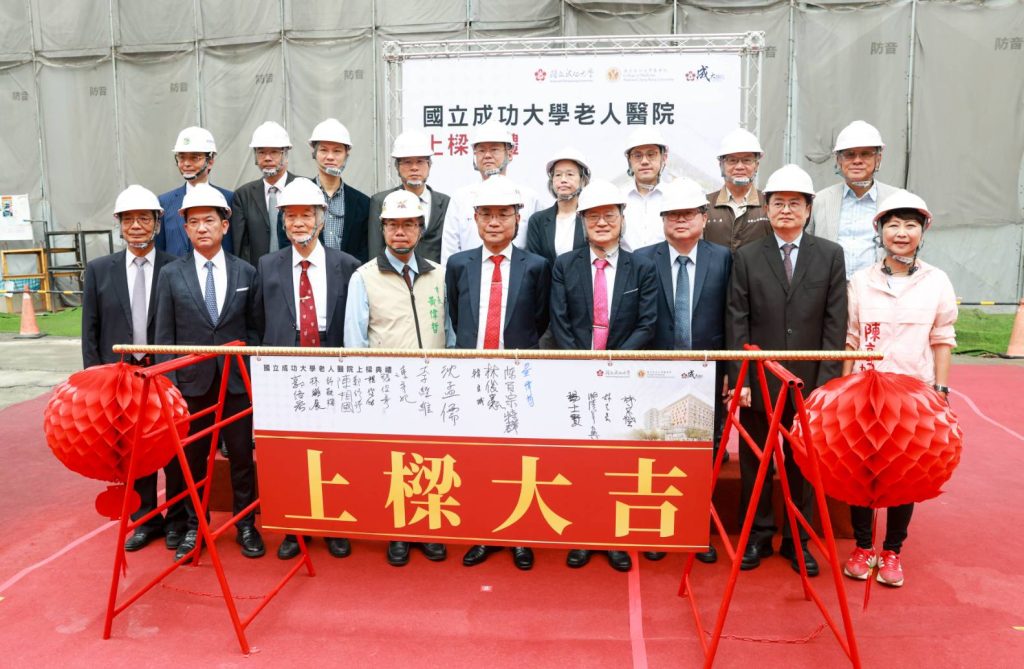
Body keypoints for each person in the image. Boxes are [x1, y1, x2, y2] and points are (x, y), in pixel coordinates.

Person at [726, 164, 847, 577]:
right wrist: (740, 379)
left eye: (795, 203)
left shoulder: (830, 255)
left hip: (808, 385)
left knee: (803, 465)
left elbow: (834, 323)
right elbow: (737, 320)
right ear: (767, 208)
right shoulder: (747, 257)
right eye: (778, 203)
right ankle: (757, 536)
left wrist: (827, 384)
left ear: (809, 209)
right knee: (755, 463)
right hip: (759, 382)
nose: (786, 210)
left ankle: (799, 541)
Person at [840, 190, 957, 588]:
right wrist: (844, 386)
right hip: (866, 391)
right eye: (893, 225)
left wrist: (940, 389)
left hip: (914, 392)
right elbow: (851, 338)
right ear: (880, 232)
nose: (901, 233)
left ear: (923, 232)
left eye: (910, 225)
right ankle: (862, 547)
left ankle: (892, 551)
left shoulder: (936, 281)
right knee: (861, 471)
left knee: (904, 473)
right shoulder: (861, 281)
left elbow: (942, 337)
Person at [550, 178, 658, 573]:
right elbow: (559, 321)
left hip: (622, 377)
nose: (601, 223)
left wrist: (613, 365)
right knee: (580, 461)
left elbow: (647, 323)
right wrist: (583, 366)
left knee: (617, 459)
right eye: (592, 216)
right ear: (582, 222)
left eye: (608, 215)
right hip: (576, 377)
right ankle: (582, 533)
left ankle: (614, 536)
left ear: (621, 218)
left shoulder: (641, 267)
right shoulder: (565, 265)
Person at [446, 176, 552, 571]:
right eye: (486, 214)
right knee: (477, 456)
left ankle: (520, 535)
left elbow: (540, 320)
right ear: (474, 218)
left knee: (517, 457)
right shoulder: (459, 264)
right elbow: (458, 314)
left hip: (517, 377)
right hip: (472, 374)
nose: (494, 222)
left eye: (503, 214)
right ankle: (483, 531)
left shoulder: (536, 266)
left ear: (517, 218)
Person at [155, 184, 264, 563]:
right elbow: (163, 338)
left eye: (209, 221)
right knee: (192, 460)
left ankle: (246, 523)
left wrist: (250, 377)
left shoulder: (246, 271)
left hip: (236, 384)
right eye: (194, 222)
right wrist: (170, 388)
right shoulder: (171, 275)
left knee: (241, 457)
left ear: (225, 225)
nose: (202, 228)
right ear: (185, 228)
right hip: (191, 385)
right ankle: (193, 527)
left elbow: (255, 331)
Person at [344, 189, 453, 566]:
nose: (400, 232)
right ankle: (399, 530)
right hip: (389, 389)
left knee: (433, 458)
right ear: (383, 229)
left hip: (434, 385)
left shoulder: (439, 274)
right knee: (395, 461)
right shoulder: (364, 277)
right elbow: (354, 342)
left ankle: (430, 526)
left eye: (409, 224)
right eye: (393, 225)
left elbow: (450, 332)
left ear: (421, 229)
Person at [255, 177, 361, 561]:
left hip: (331, 367)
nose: (298, 223)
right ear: (282, 222)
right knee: (289, 452)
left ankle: (334, 525)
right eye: (291, 216)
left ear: (321, 219)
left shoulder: (347, 265)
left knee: (333, 450)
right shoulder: (267, 266)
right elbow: (256, 323)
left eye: (306, 215)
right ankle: (294, 526)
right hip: (285, 370)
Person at [636, 177, 732, 564]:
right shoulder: (643, 259)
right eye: (672, 214)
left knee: (702, 456)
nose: (680, 220)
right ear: (662, 219)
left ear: (704, 217)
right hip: (656, 374)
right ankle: (659, 528)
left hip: (707, 373)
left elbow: (731, 319)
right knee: (655, 452)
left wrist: (729, 370)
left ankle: (696, 530)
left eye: (688, 213)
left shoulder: (724, 259)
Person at [82, 185, 176, 552]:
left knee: (171, 447)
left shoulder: (174, 268)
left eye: (144, 219)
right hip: (120, 378)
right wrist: (94, 383)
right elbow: (90, 330)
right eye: (128, 220)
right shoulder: (99, 270)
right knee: (132, 452)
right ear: (119, 225)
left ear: (157, 223)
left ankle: (177, 519)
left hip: (164, 373)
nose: (136, 226)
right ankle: (145, 519)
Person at [807, 120, 898, 278]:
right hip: (830, 289)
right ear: (838, 160)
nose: (857, 160)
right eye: (849, 154)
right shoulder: (819, 201)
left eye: (865, 154)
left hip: (881, 288)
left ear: (878, 159)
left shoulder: (895, 200)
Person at [440, 122, 541, 264]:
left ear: (510, 153)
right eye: (481, 150)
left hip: (518, 275)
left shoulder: (529, 197)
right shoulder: (461, 197)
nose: (487, 155)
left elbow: (536, 252)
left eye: (494, 149)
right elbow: (449, 250)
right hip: (470, 275)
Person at [368, 131, 450, 263]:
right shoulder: (380, 201)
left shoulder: (445, 203)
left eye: (420, 162)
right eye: (407, 162)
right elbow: (375, 250)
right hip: (393, 273)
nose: (414, 168)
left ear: (429, 165)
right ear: (397, 167)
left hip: (435, 274)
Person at [156, 127, 234, 257]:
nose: (186, 164)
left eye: (194, 158)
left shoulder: (229, 199)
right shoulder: (165, 202)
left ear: (210, 161)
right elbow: (160, 250)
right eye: (181, 158)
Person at [232, 121, 301, 265]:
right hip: (258, 273)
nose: (267, 158)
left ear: (285, 154)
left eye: (274, 152)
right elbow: (239, 246)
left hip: (297, 269)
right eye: (261, 152)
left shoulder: (303, 187)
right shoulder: (243, 195)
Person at [308, 118, 370, 262]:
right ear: (314, 153)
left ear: (346, 155)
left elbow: (365, 250)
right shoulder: (298, 195)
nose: (330, 157)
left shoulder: (362, 203)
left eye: (337, 151)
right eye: (323, 150)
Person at [703, 128, 772, 253]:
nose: (739, 166)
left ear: (756, 165)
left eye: (747, 160)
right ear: (721, 165)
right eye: (732, 160)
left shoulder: (770, 203)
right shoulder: (704, 204)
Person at [524, 147, 590, 265]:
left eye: (570, 174)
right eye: (558, 175)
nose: (563, 180)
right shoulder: (538, 220)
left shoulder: (591, 217)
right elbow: (534, 265)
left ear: (582, 179)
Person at [619, 127, 671, 252]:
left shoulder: (674, 196)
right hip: (628, 264)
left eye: (651, 154)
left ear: (664, 157)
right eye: (637, 155)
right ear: (629, 160)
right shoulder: (618, 197)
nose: (644, 161)